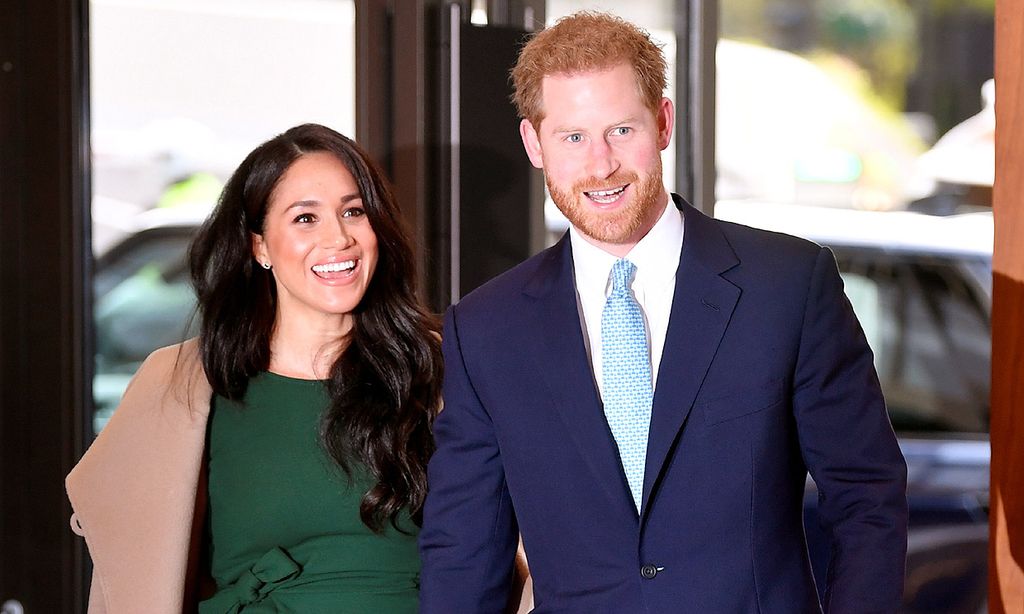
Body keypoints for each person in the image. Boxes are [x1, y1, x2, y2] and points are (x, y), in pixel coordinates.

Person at [419, 11, 908, 613]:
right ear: (533, 144)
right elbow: (464, 550)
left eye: (621, 130)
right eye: (572, 137)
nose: (601, 164)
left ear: (664, 122)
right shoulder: (485, 329)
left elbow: (866, 496)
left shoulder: (786, 286)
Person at [66, 123, 443, 612]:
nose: (338, 238)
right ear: (259, 245)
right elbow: (131, 562)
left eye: (354, 211)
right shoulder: (185, 383)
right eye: (305, 219)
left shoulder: (439, 369)